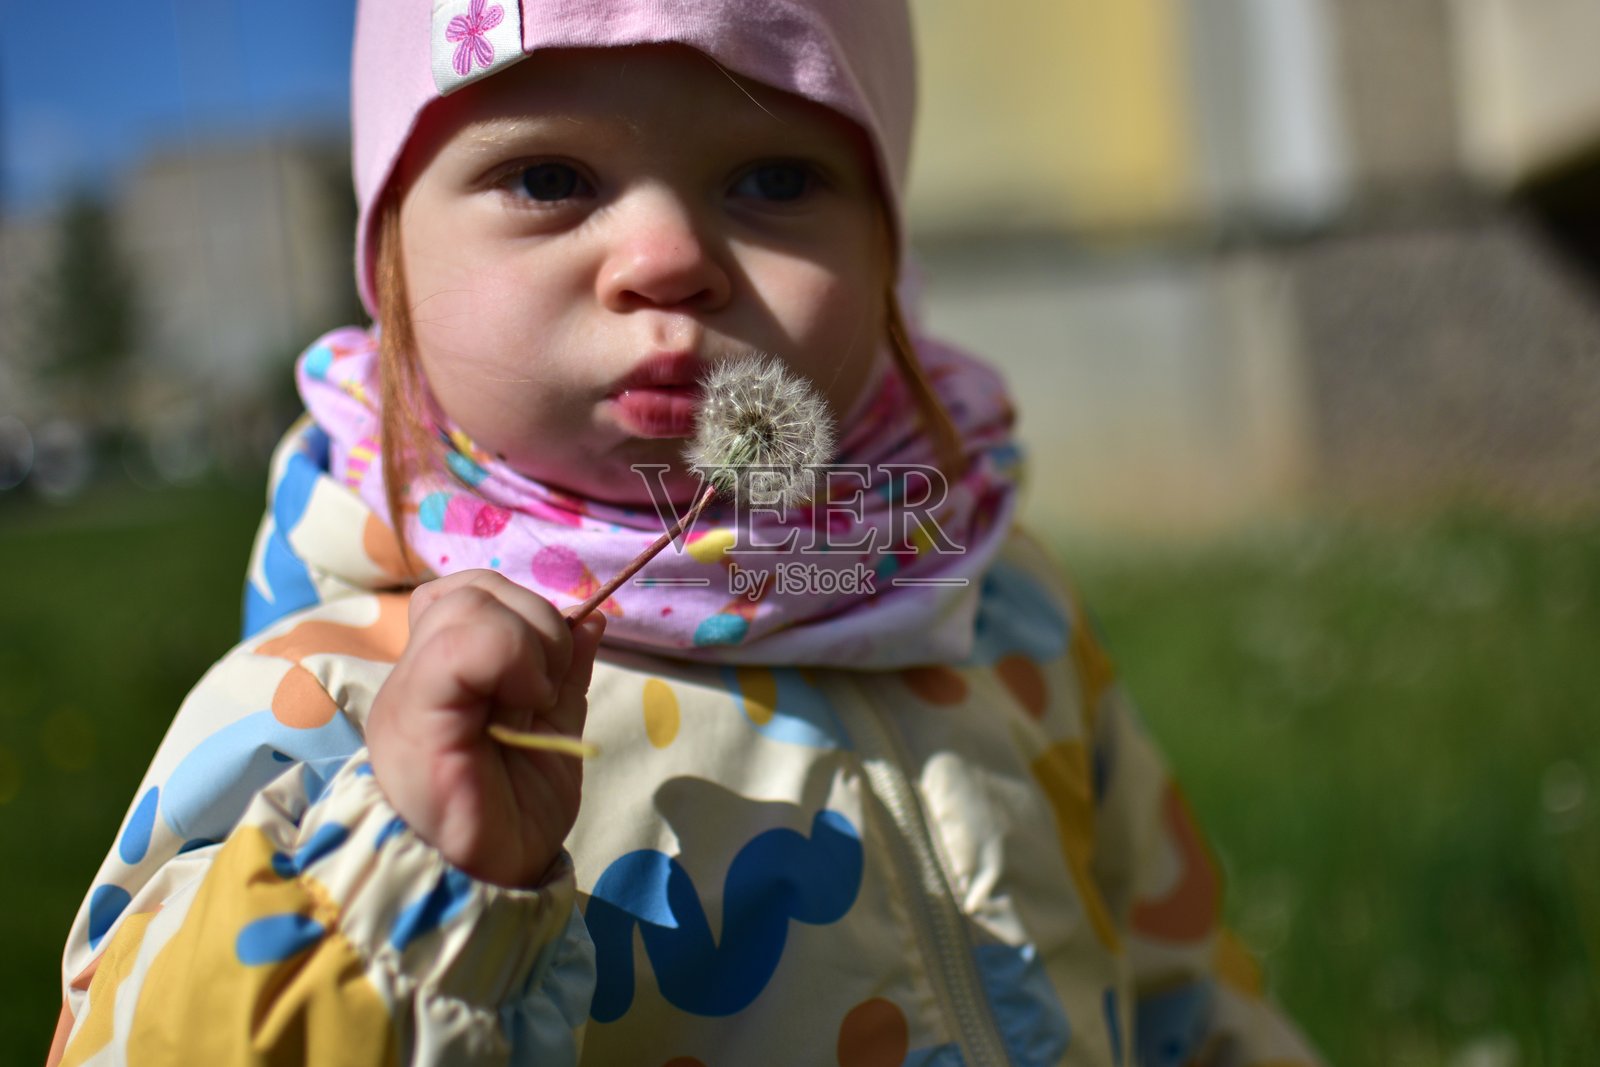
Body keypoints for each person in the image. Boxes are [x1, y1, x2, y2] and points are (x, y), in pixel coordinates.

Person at [49, 2, 1321, 1064]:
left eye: (774, 179)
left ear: (889, 251)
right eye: (549, 178)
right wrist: (403, 874)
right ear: (389, 263)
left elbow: (1180, 974)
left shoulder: (992, 598)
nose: (666, 257)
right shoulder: (338, 696)